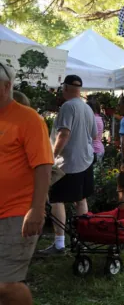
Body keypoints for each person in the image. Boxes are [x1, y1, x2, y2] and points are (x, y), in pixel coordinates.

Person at [0, 62, 53, 305]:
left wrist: (36, 209)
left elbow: (43, 165)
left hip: (17, 211)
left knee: (6, 284)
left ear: (6, 86)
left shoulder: (28, 119)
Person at [41, 75, 97, 256]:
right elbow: (94, 135)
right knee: (81, 199)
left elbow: (63, 134)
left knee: (57, 199)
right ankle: (83, 238)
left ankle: (59, 244)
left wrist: (52, 157)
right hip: (85, 160)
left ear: (64, 88)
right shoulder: (87, 108)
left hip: (67, 163)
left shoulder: (67, 106)